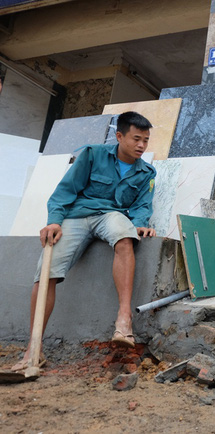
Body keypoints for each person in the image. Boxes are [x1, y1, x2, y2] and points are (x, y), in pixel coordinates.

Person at [11, 111, 157, 371]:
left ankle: (124, 322)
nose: (141, 146)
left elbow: (142, 205)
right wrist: (55, 220)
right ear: (119, 136)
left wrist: (140, 224)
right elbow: (65, 190)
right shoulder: (92, 154)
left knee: (126, 237)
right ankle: (33, 349)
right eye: (136, 139)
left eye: (146, 140)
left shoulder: (146, 171)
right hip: (78, 216)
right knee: (48, 268)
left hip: (112, 216)